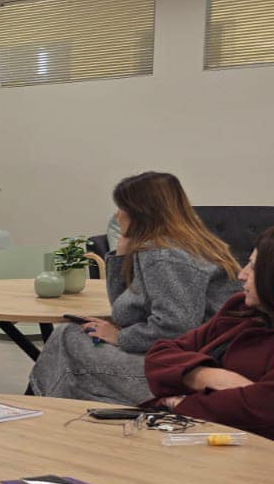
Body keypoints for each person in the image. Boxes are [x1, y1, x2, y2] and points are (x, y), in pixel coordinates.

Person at [31, 172, 241, 404]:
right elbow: (124, 312)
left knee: (68, 339)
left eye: (121, 207)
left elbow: (176, 328)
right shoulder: (177, 245)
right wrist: (122, 256)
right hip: (187, 359)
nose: (117, 215)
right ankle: (53, 407)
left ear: (140, 213)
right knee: (72, 335)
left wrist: (120, 337)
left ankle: (44, 407)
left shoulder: (164, 256)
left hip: (186, 369)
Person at [148, 227, 274, 484]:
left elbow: (260, 406)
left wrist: (182, 401)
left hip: (240, 471)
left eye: (253, 267)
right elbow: (159, 354)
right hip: (184, 442)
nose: (241, 275)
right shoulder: (239, 310)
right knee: (72, 483)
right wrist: (207, 375)